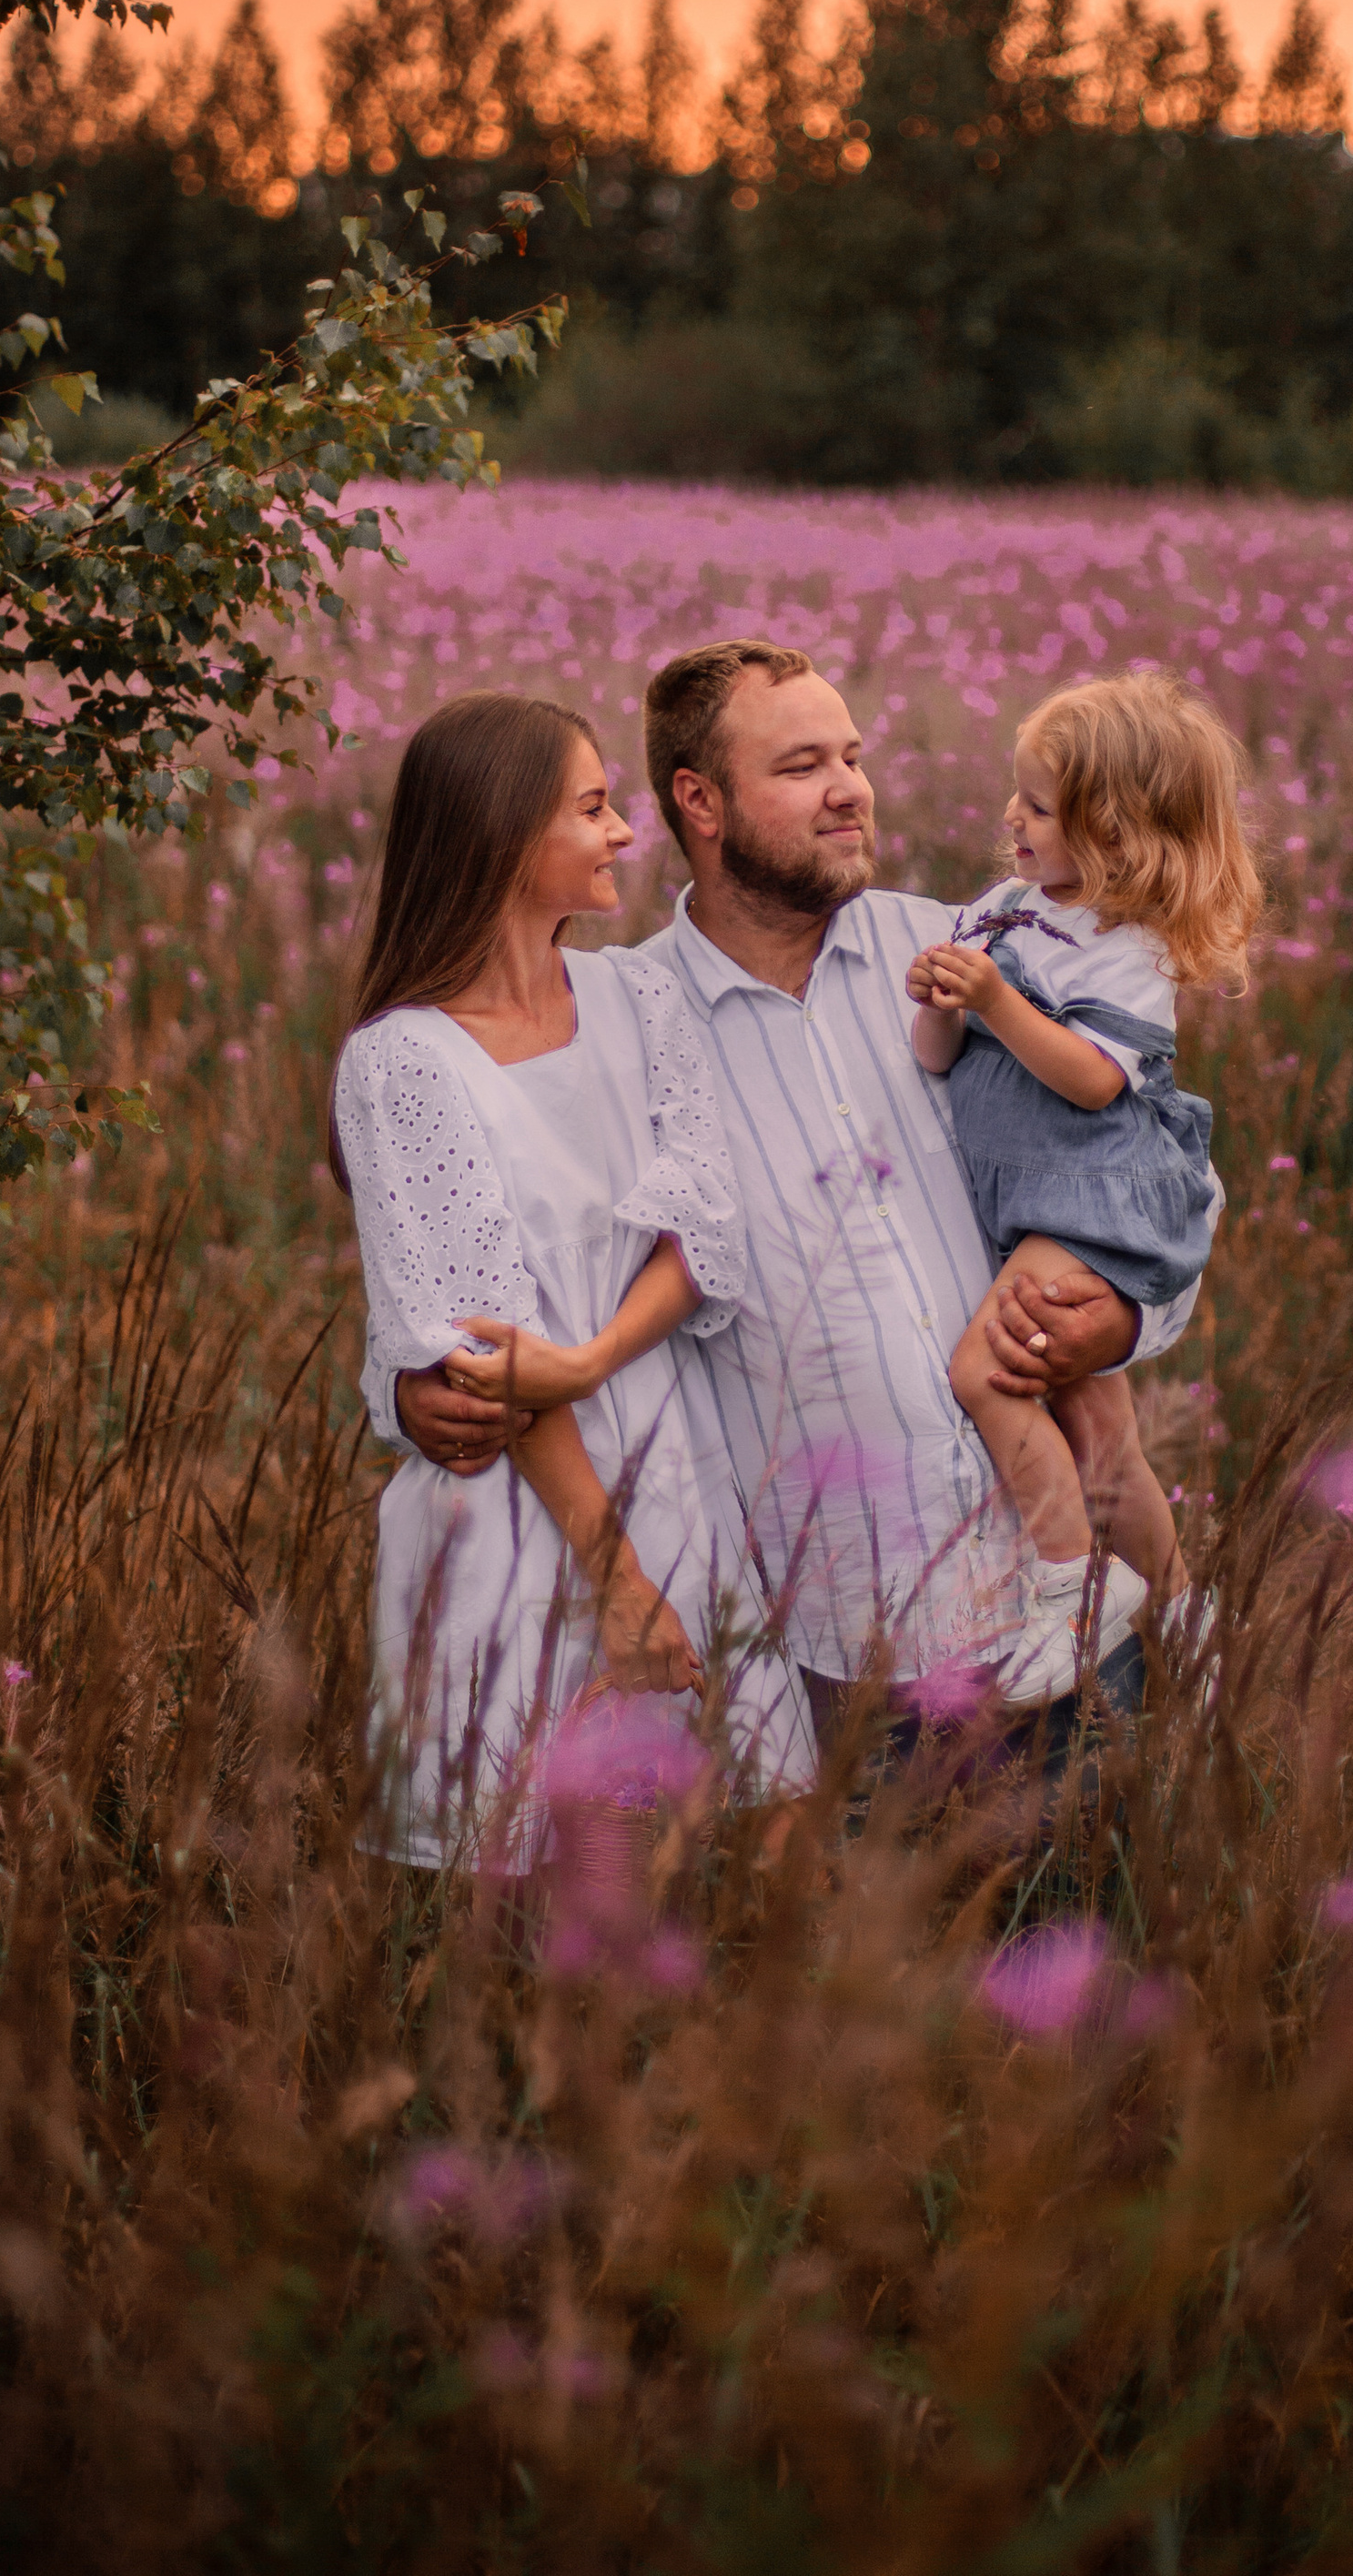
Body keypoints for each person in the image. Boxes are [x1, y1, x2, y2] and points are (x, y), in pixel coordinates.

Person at [395, 643, 1217, 1753]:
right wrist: (408, 1392)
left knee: (1098, 1919)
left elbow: (1160, 1175)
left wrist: (1123, 1319)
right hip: (841, 1650)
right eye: (801, 766)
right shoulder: (627, 1022)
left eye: (853, 756)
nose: (850, 789)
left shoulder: (970, 953)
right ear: (701, 801)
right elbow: (536, 1260)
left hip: (1061, 1606)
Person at [332, 690, 810, 1871]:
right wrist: (619, 1584)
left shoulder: (641, 999)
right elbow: (487, 1360)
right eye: (593, 808)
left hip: (671, 1472)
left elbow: (701, 1232)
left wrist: (593, 1357)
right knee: (526, 1888)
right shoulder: (402, 1062)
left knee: (731, 1857)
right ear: (504, 837)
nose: (622, 834)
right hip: (515, 1516)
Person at [907, 675, 1255, 1679]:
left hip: (1096, 1195)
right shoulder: (1003, 912)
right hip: (1034, 1200)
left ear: (1114, 833)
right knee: (1097, 1423)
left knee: (986, 1372)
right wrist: (939, 999)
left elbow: (1096, 1082)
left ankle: (1071, 1592)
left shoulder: (1127, 947)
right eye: (1015, 794)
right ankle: (1184, 1608)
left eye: (1039, 806)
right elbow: (936, 1058)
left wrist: (996, 1002)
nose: (1010, 817)